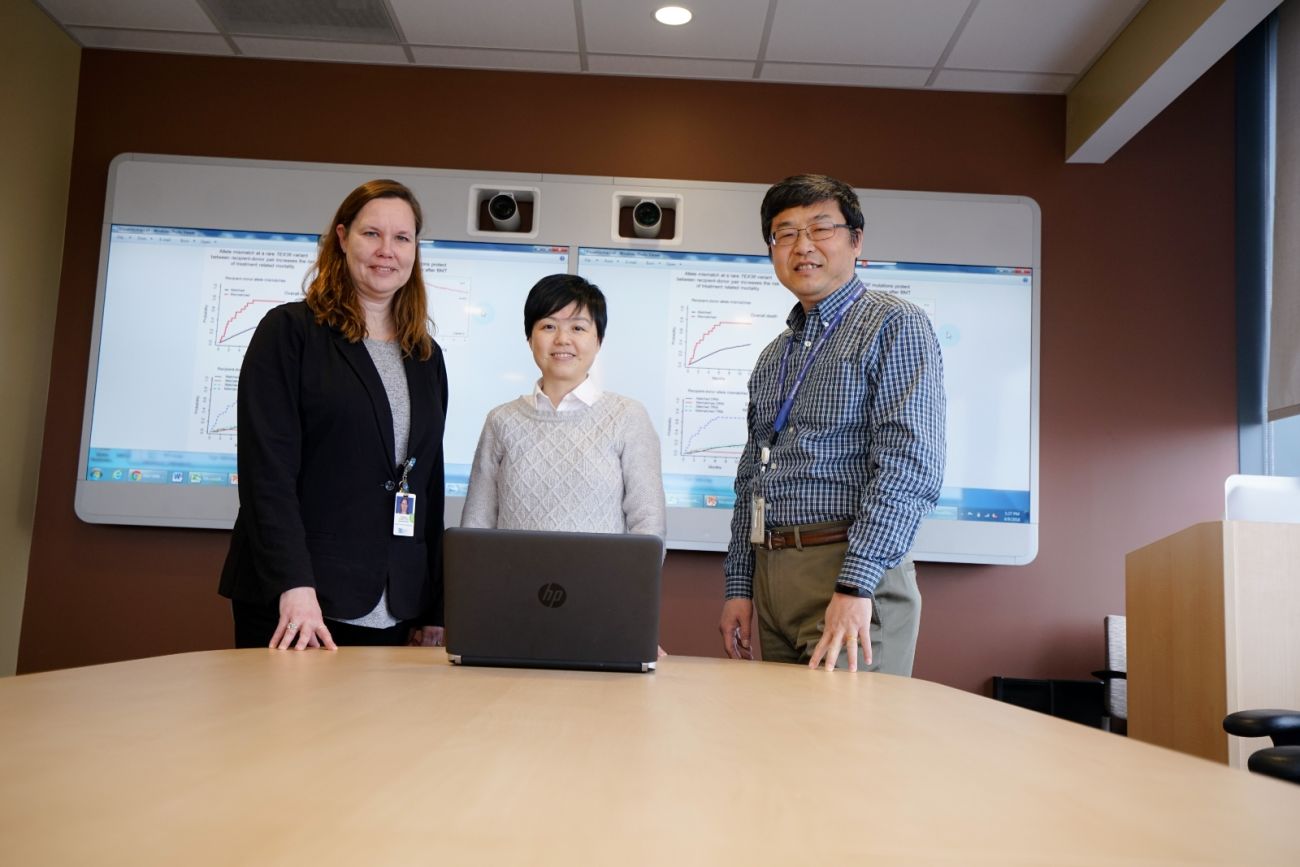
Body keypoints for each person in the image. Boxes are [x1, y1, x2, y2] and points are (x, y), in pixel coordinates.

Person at [718, 174, 945, 675]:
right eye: (786, 233)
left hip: (847, 569)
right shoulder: (774, 356)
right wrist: (740, 587)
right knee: (783, 745)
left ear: (855, 239)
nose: (803, 247)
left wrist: (856, 584)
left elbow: (910, 465)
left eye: (821, 229)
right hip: (771, 576)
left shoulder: (894, 324)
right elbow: (750, 478)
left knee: (844, 748)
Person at [220, 179, 448, 650]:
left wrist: (432, 608)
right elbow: (267, 475)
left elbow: (427, 484)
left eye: (402, 238)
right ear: (342, 238)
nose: (387, 251)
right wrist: (294, 586)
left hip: (395, 604)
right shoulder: (289, 334)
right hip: (304, 604)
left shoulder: (426, 356)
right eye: (372, 234)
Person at [461, 274, 665, 540]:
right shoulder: (501, 421)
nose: (562, 339)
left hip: (602, 581)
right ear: (529, 338)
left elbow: (649, 528)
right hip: (511, 581)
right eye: (548, 326)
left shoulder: (628, 417)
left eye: (578, 328)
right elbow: (476, 526)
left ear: (598, 340)